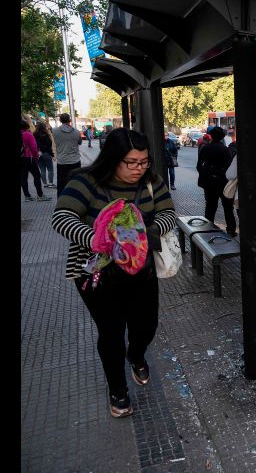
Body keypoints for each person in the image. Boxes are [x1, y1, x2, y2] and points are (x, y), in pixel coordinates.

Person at [51, 128, 176, 418]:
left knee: (146, 326)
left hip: (139, 270)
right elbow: (62, 217)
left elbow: (168, 213)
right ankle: (117, 389)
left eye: (143, 162)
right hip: (96, 273)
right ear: (113, 158)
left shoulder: (151, 182)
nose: (138, 168)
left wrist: (143, 234)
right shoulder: (87, 181)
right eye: (130, 162)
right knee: (111, 333)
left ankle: (136, 354)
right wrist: (98, 240)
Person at [197, 126, 237, 236]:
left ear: (211, 136)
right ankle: (231, 230)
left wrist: (206, 174)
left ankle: (208, 228)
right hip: (223, 182)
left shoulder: (205, 148)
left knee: (210, 207)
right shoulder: (225, 149)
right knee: (228, 207)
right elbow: (229, 167)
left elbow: (199, 166)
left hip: (209, 183)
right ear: (222, 137)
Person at [51, 113, 82, 196]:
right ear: (70, 120)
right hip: (75, 161)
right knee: (76, 183)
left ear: (60, 120)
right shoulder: (77, 132)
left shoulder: (54, 131)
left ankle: (60, 203)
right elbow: (80, 142)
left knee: (61, 184)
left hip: (62, 162)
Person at [21, 119, 50, 201]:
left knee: (23, 178)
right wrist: (36, 156)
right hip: (29, 158)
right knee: (37, 176)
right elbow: (34, 148)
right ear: (27, 126)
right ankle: (40, 196)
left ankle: (27, 196)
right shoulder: (28, 134)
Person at [34, 121, 57, 188]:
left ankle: (45, 184)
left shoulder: (34, 134)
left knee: (42, 170)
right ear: (44, 127)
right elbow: (49, 146)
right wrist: (52, 155)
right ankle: (50, 184)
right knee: (50, 169)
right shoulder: (45, 135)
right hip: (46, 153)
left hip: (38, 154)